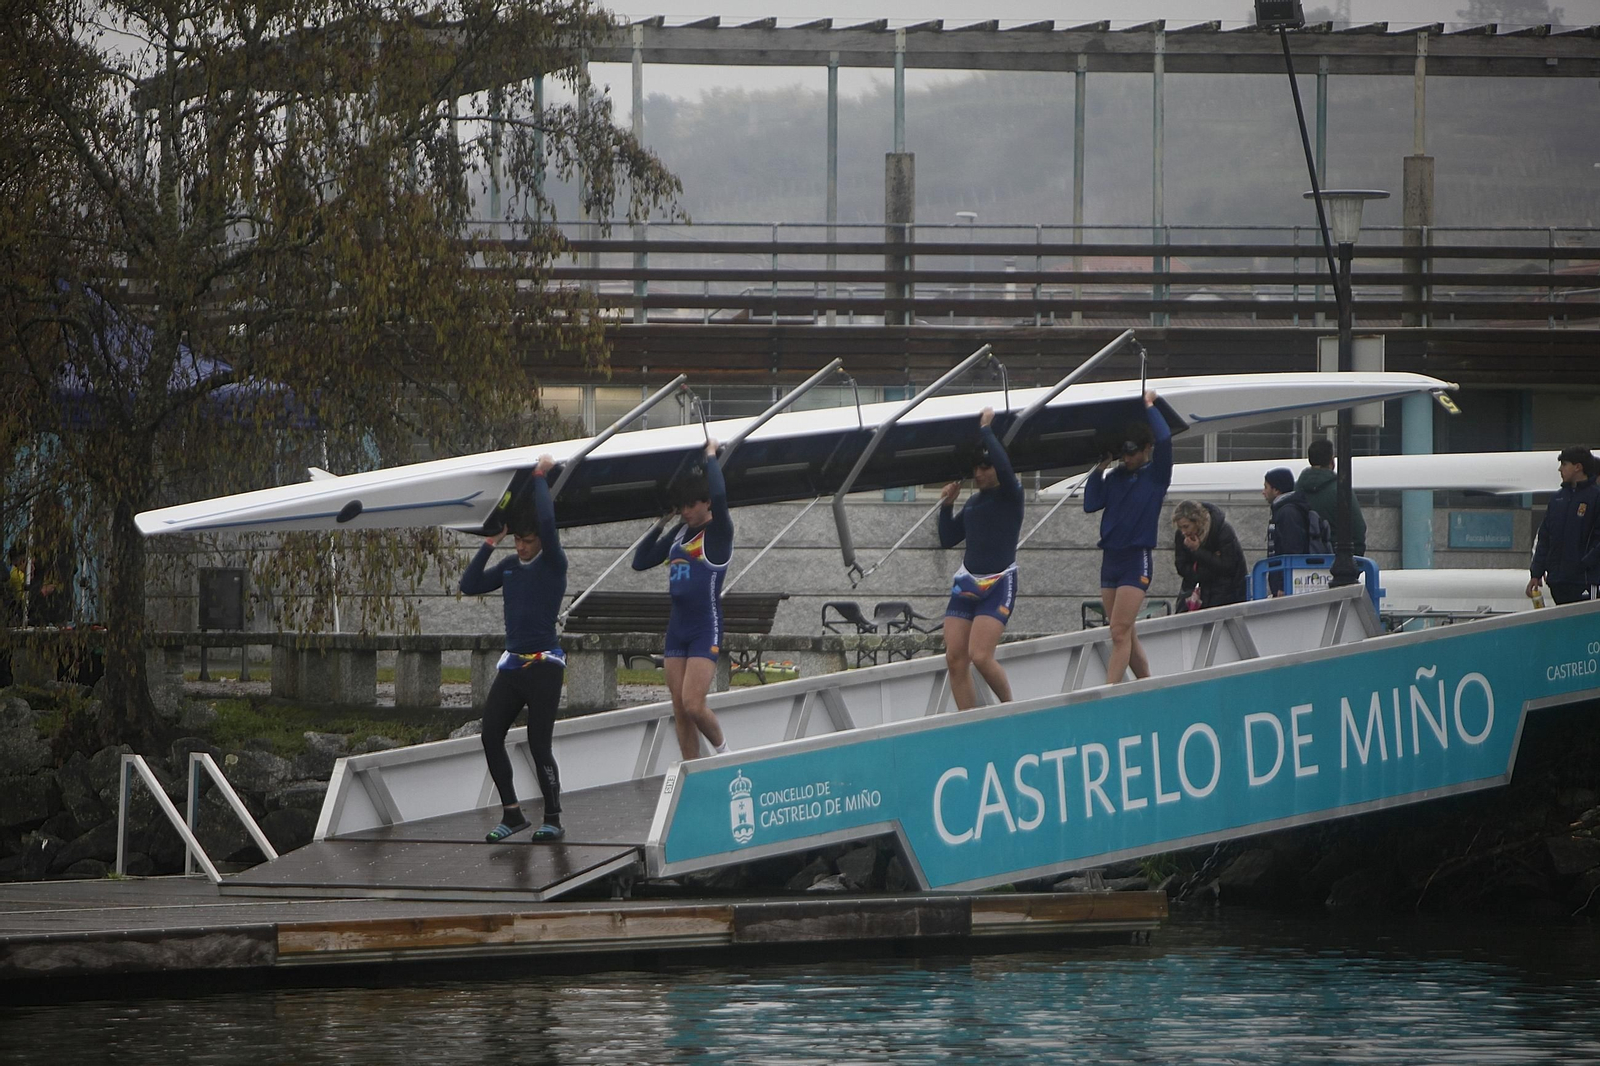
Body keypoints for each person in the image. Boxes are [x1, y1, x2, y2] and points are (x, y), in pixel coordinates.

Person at [460, 455, 569, 844]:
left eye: (528, 541)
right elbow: (469, 585)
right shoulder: (508, 565)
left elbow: (549, 523)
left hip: (545, 666)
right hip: (512, 668)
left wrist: (540, 476)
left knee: (539, 744)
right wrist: (490, 543)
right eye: (518, 541)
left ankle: (553, 817)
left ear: (540, 540)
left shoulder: (553, 563)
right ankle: (513, 814)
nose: (522, 547)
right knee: (490, 735)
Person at [633, 438, 733, 760]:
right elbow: (640, 561)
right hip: (677, 629)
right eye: (683, 506)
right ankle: (692, 770)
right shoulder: (678, 534)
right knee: (679, 708)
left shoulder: (718, 532)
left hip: (705, 627)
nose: (686, 512)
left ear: (707, 503)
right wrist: (662, 522)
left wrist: (711, 456)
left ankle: (726, 755)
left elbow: (720, 496)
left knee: (693, 704)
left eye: (692, 505)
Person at [937, 406, 1023, 710]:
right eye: (976, 468)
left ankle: (1010, 709)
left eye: (985, 467)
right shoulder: (974, 503)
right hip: (967, 582)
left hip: (999, 581)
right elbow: (948, 539)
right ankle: (968, 721)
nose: (979, 474)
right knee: (954, 658)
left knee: (981, 656)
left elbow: (1005, 466)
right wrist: (947, 506)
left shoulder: (1011, 494)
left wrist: (986, 429)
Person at [1084, 390, 1172, 683]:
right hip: (1111, 558)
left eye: (1133, 452)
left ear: (1146, 448)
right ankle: (1147, 684)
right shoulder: (1115, 477)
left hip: (1136, 559)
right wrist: (1100, 469)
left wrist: (1150, 406)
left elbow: (1165, 440)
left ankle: (1109, 693)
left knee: (1119, 632)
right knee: (1125, 631)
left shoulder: (1156, 476)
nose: (1127, 458)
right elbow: (1090, 504)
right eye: (1124, 452)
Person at [1527, 446, 1600, 606]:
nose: (1560, 469)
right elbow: (1545, 538)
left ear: (1578, 467)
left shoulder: (1596, 497)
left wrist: (1584, 564)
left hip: (1585, 580)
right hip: (1558, 581)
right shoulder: (1557, 499)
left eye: (1564, 464)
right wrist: (1536, 573)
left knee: (1585, 620)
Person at [1171, 500, 1248, 610]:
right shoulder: (1181, 536)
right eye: (1180, 527)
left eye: (1186, 526)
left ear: (1197, 522)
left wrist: (1197, 551)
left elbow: (1228, 567)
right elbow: (1181, 566)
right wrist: (1210, 563)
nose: (1183, 532)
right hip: (1195, 589)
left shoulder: (1223, 531)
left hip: (1226, 591)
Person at [1296, 438, 1367, 557]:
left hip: (1301, 560)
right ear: (1332, 461)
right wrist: (1355, 556)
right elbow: (1357, 528)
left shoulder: (1296, 490)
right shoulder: (1340, 490)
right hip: (1335, 558)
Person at [1261, 467, 1314, 597]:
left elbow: (1292, 549)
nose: (1263, 492)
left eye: (1266, 487)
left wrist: (1283, 585)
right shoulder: (1284, 510)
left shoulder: (1287, 513)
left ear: (1276, 490)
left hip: (1285, 587)